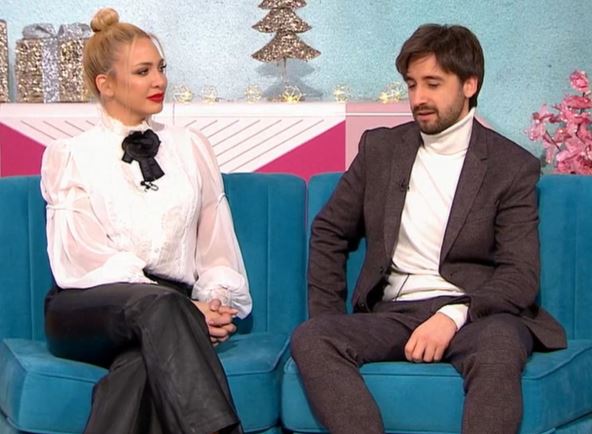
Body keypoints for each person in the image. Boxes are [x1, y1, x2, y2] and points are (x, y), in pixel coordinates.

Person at [291, 24, 567, 434]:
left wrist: (452, 316)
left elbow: (520, 275)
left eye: (433, 84)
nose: (418, 98)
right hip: (393, 314)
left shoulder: (511, 167)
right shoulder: (380, 150)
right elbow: (329, 230)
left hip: (476, 315)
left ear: (470, 84)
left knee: (500, 344)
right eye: (411, 84)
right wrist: (329, 316)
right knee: (313, 336)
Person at [41, 7, 251, 434]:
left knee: (141, 366)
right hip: (87, 308)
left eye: (161, 68)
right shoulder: (71, 155)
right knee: (163, 310)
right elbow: (82, 260)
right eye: (143, 71)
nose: (159, 81)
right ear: (106, 84)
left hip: (170, 313)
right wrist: (187, 313)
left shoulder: (192, 148)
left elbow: (215, 245)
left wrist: (212, 301)